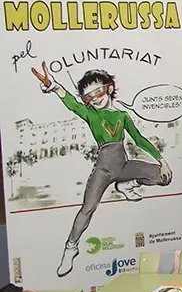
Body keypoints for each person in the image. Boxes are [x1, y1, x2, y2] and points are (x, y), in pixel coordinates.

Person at [31, 65, 172, 277]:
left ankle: (127, 184)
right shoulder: (90, 113)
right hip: (103, 170)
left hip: (123, 167)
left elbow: (139, 140)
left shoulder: (122, 115)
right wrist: (54, 86)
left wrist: (162, 160)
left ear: (109, 88)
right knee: (87, 209)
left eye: (97, 92)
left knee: (164, 177)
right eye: (88, 97)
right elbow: (71, 103)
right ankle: (71, 247)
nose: (94, 99)